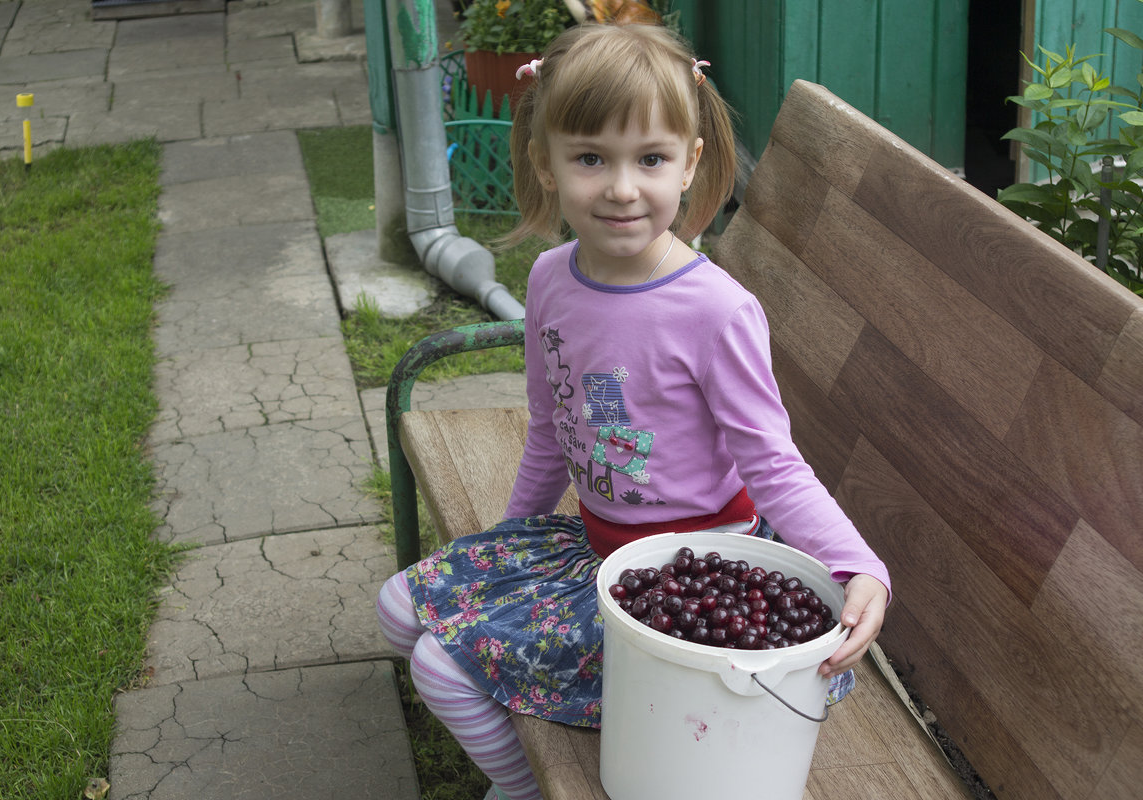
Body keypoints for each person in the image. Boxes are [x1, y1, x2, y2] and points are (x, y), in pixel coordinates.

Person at [377, 22, 890, 800]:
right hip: (589, 549)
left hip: (683, 586)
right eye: (590, 158)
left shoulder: (716, 311)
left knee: (438, 665)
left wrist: (860, 566)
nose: (621, 187)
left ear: (690, 164)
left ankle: (528, 787)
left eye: (649, 158)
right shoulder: (552, 279)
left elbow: (773, 463)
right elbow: (551, 431)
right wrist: (511, 536)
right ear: (545, 163)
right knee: (395, 610)